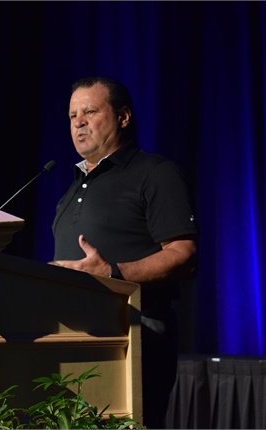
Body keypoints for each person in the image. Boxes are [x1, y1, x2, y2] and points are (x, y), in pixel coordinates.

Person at [50, 76, 199, 428]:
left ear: (124, 117)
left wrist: (113, 274)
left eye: (90, 111)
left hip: (134, 334)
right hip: (69, 338)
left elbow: (185, 254)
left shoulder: (155, 173)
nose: (78, 122)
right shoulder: (71, 188)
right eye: (72, 116)